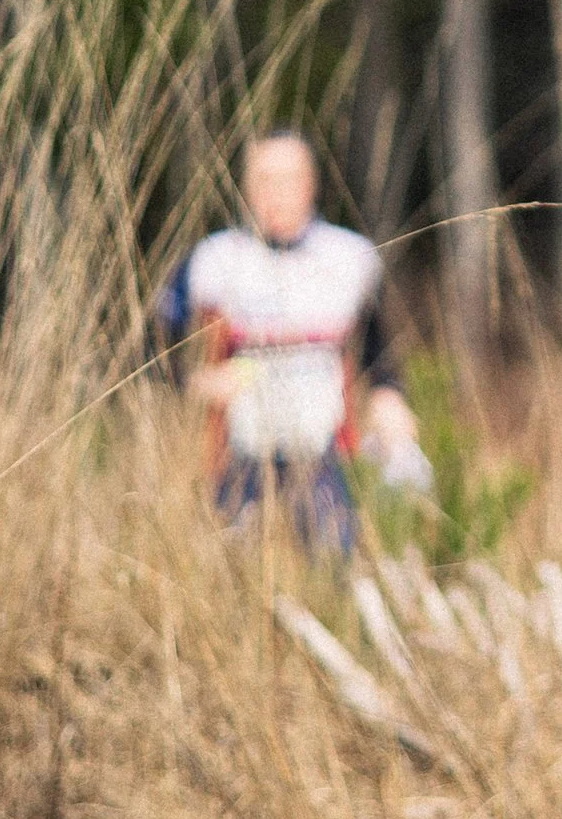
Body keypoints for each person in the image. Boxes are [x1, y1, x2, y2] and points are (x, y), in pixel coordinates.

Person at [170, 131, 398, 553]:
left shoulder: (350, 258)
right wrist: (197, 382)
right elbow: (152, 344)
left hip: (323, 453)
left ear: (311, 185)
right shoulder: (214, 260)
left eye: (288, 179)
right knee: (231, 563)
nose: (275, 193)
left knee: (333, 562)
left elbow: (379, 349)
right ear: (246, 188)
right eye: (264, 180)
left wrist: (389, 396)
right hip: (238, 454)